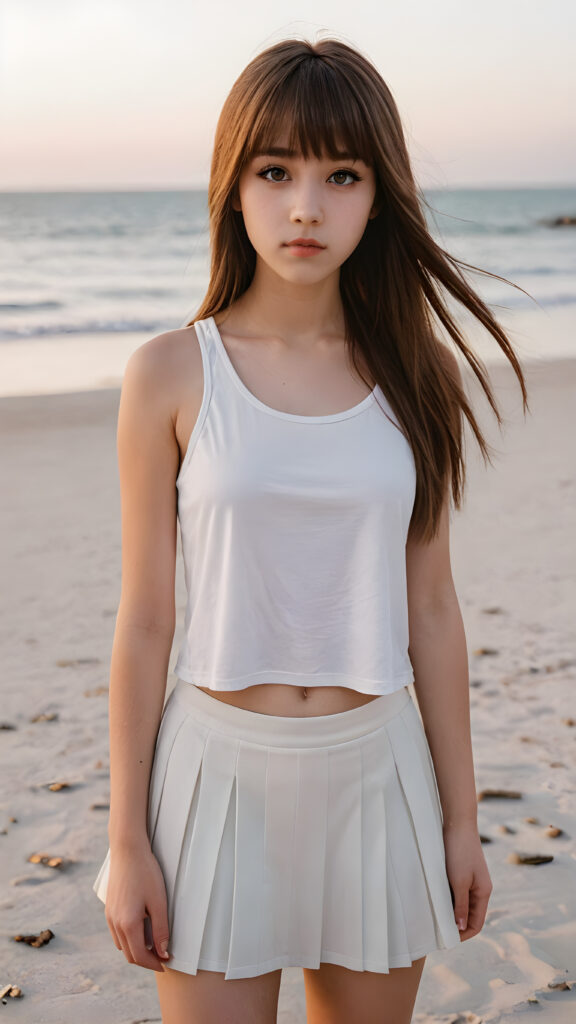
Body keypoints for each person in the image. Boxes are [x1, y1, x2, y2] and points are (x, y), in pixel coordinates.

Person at [92, 35, 529, 1024]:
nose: (305, 207)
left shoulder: (416, 374)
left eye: (342, 175)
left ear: (378, 196)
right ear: (232, 184)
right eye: (275, 170)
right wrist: (127, 840)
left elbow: (433, 608)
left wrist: (462, 821)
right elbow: (146, 619)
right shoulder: (169, 373)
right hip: (214, 778)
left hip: (378, 777)